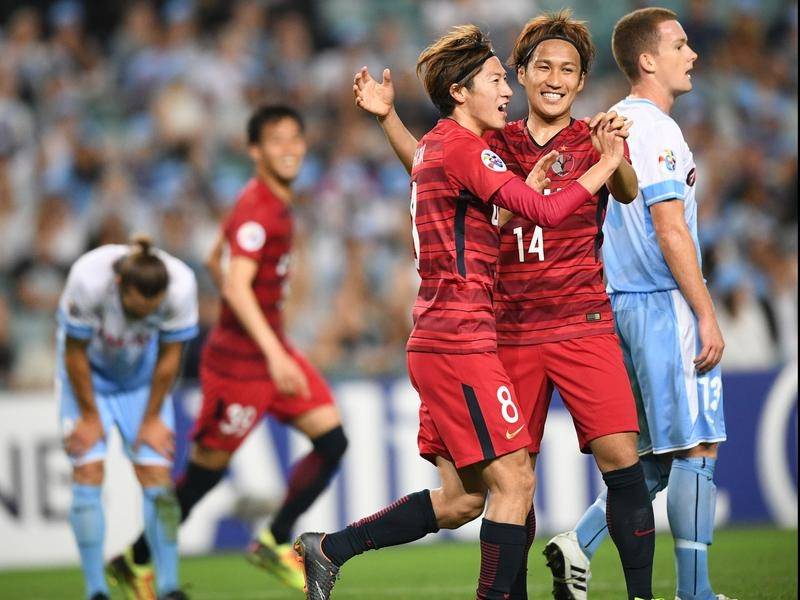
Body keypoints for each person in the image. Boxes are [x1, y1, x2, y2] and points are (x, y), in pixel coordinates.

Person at [294, 24, 633, 600]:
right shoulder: (464, 147)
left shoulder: (438, 146)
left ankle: (330, 549)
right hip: (461, 339)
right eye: (498, 80)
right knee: (516, 480)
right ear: (461, 90)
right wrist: (604, 163)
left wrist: (386, 118)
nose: (507, 91)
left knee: (463, 500)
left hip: (444, 335)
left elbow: (440, 170)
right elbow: (543, 212)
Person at [111, 105, 348, 596]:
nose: (289, 148)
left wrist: (275, 347)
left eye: (295, 138)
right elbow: (237, 288)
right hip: (242, 365)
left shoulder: (263, 201)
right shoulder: (260, 209)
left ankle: (274, 539)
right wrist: (275, 353)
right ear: (255, 152)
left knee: (332, 442)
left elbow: (211, 257)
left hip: (271, 350)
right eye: (276, 141)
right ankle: (134, 561)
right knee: (202, 478)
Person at [544, 8, 733, 600]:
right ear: (647, 59)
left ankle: (578, 541)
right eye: (681, 44)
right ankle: (695, 593)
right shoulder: (657, 129)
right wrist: (704, 311)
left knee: (648, 459)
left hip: (616, 307)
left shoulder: (608, 124)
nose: (692, 54)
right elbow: (670, 227)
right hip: (661, 306)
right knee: (697, 449)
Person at [58, 236, 198, 600]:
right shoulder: (88, 278)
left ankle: (168, 587)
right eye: (135, 311)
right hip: (87, 377)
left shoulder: (181, 286)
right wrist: (89, 416)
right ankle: (96, 591)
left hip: (141, 381)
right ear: (120, 285)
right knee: (88, 470)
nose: (142, 319)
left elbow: (170, 355)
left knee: (158, 478)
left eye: (150, 312)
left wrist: (152, 418)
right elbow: (73, 352)